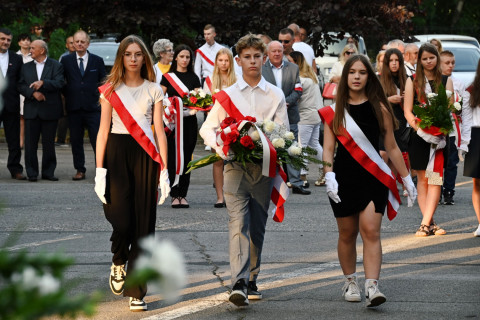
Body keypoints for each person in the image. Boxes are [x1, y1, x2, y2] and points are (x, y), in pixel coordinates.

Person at [199, 33, 289, 307]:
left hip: (263, 168)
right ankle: (238, 281)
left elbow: (283, 132)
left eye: (256, 57)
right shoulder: (227, 95)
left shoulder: (275, 94)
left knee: (257, 224)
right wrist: (223, 148)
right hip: (235, 166)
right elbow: (208, 128)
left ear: (264, 58)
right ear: (238, 61)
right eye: (246, 57)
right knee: (238, 222)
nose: (252, 61)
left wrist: (272, 142)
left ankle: (252, 277)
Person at [320, 54, 416, 308]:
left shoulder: (380, 107)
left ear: (369, 76)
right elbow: (328, 150)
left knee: (371, 231)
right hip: (344, 177)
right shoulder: (335, 110)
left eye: (362, 72)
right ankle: (350, 281)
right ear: (345, 77)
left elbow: (392, 147)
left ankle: (372, 286)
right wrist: (328, 174)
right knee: (347, 233)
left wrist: (406, 178)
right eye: (352, 72)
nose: (357, 77)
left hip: (374, 176)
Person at [95, 35, 169, 312]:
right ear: (121, 58)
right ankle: (118, 261)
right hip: (116, 151)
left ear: (145, 58)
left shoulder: (154, 89)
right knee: (121, 219)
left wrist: (164, 170)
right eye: (128, 54)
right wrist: (99, 170)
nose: (134, 59)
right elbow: (102, 131)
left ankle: (137, 290)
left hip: (145, 156)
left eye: (138, 54)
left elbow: (159, 131)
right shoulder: (110, 89)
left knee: (143, 224)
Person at [404, 43, 453, 236]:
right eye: (424, 59)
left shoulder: (445, 80)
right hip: (419, 137)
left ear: (437, 58)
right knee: (423, 180)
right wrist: (421, 129)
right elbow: (408, 110)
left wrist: (439, 130)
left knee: (435, 180)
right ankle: (429, 223)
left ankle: (425, 224)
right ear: (419, 61)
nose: (428, 61)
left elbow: (450, 110)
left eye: (431, 57)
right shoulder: (412, 80)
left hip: (439, 138)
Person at [262, 41, 309, 195]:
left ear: (283, 52)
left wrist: (285, 102)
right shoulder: (261, 70)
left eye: (279, 51)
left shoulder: (293, 68)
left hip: (290, 114)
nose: (276, 54)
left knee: (292, 149)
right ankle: (269, 183)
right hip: (269, 117)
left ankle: (296, 183)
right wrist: (275, 105)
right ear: (268, 53)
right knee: (270, 150)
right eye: (273, 51)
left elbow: (298, 90)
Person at [61, 30, 107, 181]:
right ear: (72, 43)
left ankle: (102, 170)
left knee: (97, 140)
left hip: (93, 108)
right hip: (74, 108)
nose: (79, 44)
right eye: (76, 41)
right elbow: (62, 82)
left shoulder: (97, 60)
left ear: (88, 43)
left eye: (82, 41)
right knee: (76, 141)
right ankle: (80, 169)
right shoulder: (66, 61)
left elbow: (104, 82)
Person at [18, 40, 65, 181]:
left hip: (50, 110)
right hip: (32, 109)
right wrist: (32, 93)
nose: (30, 50)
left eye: (33, 48)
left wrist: (43, 83)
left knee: (49, 144)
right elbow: (20, 85)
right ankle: (32, 173)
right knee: (30, 144)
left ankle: (48, 172)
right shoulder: (25, 67)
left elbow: (60, 83)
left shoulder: (56, 65)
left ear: (42, 50)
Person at [160, 44, 201, 208]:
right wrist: (168, 110)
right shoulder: (167, 77)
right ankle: (174, 194)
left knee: (186, 159)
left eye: (187, 57)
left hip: (189, 123)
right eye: (182, 56)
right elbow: (160, 99)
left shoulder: (194, 77)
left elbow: (200, 100)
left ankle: (183, 194)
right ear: (175, 57)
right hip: (172, 124)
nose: (184, 60)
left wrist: (194, 108)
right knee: (172, 159)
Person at [202, 48, 237, 208]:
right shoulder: (209, 80)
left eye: (226, 60)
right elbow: (205, 104)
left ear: (230, 61)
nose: (223, 63)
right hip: (215, 125)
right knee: (218, 161)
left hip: (233, 124)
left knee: (233, 161)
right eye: (220, 60)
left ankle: (233, 195)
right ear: (216, 62)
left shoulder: (237, 80)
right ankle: (220, 197)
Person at [440, 50, 471, 205]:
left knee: (451, 163)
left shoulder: (458, 83)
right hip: (437, 131)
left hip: (452, 130)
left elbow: (464, 108)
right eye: (447, 62)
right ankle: (436, 190)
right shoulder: (434, 81)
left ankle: (449, 191)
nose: (450, 65)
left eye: (452, 62)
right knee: (436, 164)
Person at [290, 51, 325, 187]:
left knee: (302, 146)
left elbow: (296, 98)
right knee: (314, 144)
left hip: (305, 115)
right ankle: (325, 169)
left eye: (290, 61)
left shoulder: (301, 80)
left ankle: (302, 175)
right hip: (315, 115)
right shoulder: (312, 76)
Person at [379, 48, 410, 177]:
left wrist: (408, 96)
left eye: (397, 60)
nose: (394, 63)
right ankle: (383, 182)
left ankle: (395, 185)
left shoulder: (408, 79)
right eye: (391, 60)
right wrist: (389, 100)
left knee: (398, 156)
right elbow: (372, 101)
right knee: (384, 153)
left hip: (402, 122)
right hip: (384, 121)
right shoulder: (379, 79)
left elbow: (416, 103)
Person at [0, 28, 26, 180]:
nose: (5, 42)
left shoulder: (16, 59)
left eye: (8, 40)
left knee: (14, 140)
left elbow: (20, 81)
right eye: (2, 39)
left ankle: (15, 169)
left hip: (11, 104)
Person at [463, 59, 480, 236]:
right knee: (477, 182)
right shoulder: (471, 90)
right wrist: (463, 144)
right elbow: (466, 119)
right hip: (476, 136)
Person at [57, 35, 76, 147]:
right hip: (65, 90)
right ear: (66, 45)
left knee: (76, 116)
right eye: (70, 43)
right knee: (63, 116)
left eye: (74, 42)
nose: (73, 45)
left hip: (78, 91)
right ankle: (60, 139)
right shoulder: (63, 58)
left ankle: (74, 139)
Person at [16, 33, 33, 149]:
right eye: (23, 40)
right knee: (21, 117)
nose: (26, 42)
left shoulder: (34, 55)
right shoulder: (15, 56)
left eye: (28, 40)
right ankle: (20, 141)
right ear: (19, 43)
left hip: (32, 88)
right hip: (19, 90)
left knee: (30, 116)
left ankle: (30, 141)